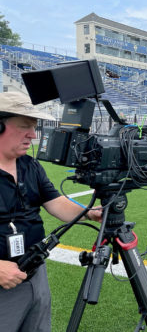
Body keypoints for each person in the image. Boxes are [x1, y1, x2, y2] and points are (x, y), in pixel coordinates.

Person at [0, 91, 102, 332]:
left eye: (34, 128)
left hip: (33, 270)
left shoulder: (30, 165)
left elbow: (54, 202)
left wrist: (88, 213)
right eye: (24, 127)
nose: (32, 136)